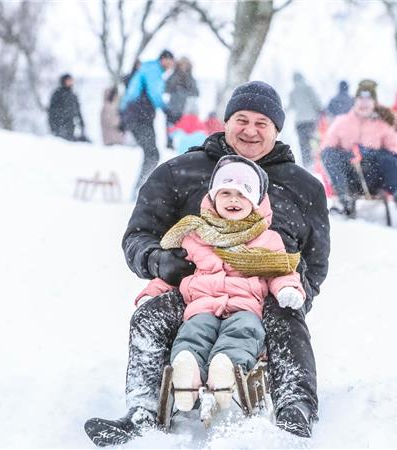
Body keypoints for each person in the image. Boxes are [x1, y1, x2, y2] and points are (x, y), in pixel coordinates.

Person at [84, 81, 330, 446]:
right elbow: (138, 235)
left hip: (263, 293)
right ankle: (142, 414)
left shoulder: (303, 186)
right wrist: (159, 261)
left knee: (287, 320)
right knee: (149, 316)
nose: (250, 130)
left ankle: (295, 414)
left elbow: (315, 260)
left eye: (262, 123)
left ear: (277, 130)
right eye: (241, 119)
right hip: (193, 289)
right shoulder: (179, 172)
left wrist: (292, 291)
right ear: (225, 121)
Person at [132, 155, 305, 412]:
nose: (233, 200)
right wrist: (152, 293)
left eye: (242, 194)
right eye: (225, 193)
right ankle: (187, 371)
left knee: (244, 333)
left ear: (256, 202)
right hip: (201, 307)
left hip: (245, 308)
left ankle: (225, 369)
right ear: (212, 199)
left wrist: (288, 289)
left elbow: (280, 270)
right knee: (192, 335)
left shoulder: (267, 240)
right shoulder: (196, 235)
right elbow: (172, 274)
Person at [320, 80, 397, 228]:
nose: (364, 103)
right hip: (350, 177)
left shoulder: (382, 124)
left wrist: (372, 154)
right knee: (329, 154)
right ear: (355, 101)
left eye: (368, 99)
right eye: (360, 99)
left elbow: (395, 149)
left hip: (374, 177)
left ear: (374, 103)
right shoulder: (342, 122)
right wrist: (348, 154)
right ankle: (345, 202)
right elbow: (326, 147)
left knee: (387, 159)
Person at [119, 49, 175, 196]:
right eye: (170, 62)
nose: (171, 66)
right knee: (152, 154)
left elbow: (130, 93)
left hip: (138, 115)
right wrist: (166, 109)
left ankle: (141, 188)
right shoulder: (153, 70)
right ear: (164, 59)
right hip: (139, 115)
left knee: (151, 153)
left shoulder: (148, 68)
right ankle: (140, 190)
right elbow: (154, 93)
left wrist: (123, 115)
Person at [288, 72, 322, 168]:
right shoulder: (308, 88)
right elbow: (317, 102)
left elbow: (291, 106)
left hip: (299, 122)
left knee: (303, 144)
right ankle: (317, 161)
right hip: (310, 120)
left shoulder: (293, 92)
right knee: (314, 140)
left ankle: (307, 163)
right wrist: (320, 110)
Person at [47, 74, 87, 142]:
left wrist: (82, 124)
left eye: (71, 80)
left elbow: (77, 110)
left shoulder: (73, 95)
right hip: (59, 125)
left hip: (70, 125)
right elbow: (52, 111)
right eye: (68, 80)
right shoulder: (58, 94)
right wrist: (54, 127)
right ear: (64, 81)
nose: (71, 82)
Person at [164, 56, 199, 133]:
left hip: (185, 111)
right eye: (181, 64)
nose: (183, 67)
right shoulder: (173, 76)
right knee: (170, 132)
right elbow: (166, 89)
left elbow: (195, 93)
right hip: (172, 109)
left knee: (182, 132)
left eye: (186, 65)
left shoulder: (191, 79)